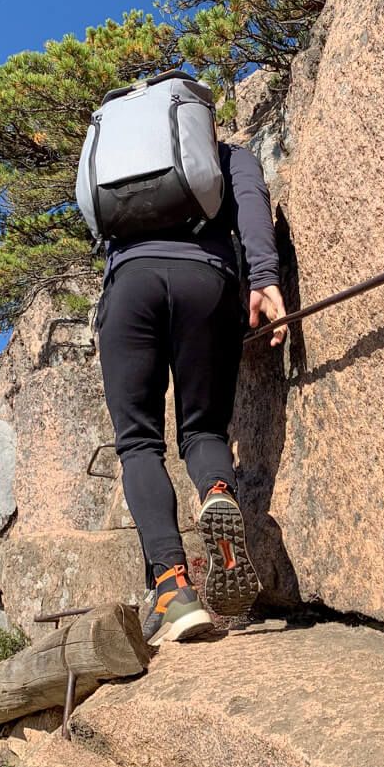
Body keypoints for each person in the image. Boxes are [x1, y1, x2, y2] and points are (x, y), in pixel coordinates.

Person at [94, 139, 287, 645]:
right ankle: (216, 494)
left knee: (139, 444)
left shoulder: (122, 163)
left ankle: (173, 590)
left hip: (130, 285)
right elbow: (251, 206)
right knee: (203, 429)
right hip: (207, 281)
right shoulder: (225, 154)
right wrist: (264, 278)